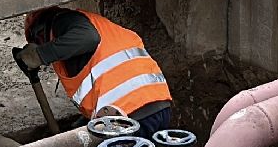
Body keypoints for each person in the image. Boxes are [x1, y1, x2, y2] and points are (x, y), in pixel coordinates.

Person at [15, 7, 173, 135]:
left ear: (40, 31)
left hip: (127, 116)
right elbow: (105, 84)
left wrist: (40, 55)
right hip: (160, 107)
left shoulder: (61, 22)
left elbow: (88, 38)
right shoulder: (100, 26)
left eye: (39, 42)